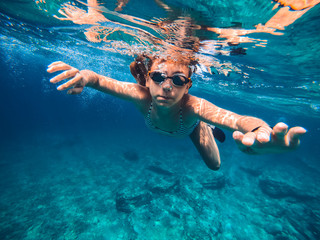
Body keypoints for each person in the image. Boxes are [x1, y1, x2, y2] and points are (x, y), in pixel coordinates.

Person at [47, 54, 306, 171]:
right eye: (158, 76)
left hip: (188, 126)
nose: (167, 86)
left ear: (188, 86)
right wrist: (83, 76)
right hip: (175, 125)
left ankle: (202, 126)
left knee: (215, 166)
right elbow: (99, 80)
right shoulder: (140, 94)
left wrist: (260, 130)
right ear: (147, 79)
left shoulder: (194, 106)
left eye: (178, 80)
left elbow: (236, 119)